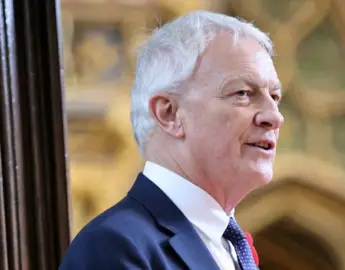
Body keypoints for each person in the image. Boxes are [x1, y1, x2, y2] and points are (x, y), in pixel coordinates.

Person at [59, 10, 283, 270]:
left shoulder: (229, 247)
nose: (274, 117)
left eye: (275, 97)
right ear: (170, 113)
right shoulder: (115, 247)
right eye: (243, 93)